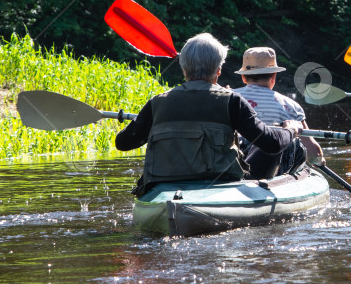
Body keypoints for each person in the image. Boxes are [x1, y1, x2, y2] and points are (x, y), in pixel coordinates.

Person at [115, 33, 303, 196]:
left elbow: (123, 143)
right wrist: (290, 130)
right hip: (219, 186)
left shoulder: (157, 102)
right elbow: (271, 143)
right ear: (219, 70)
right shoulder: (232, 101)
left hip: (161, 185)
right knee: (271, 143)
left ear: (183, 69)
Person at [233, 47, 325, 176]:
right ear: (274, 76)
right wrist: (320, 160)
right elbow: (313, 154)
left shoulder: (228, 97)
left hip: (233, 162)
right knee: (295, 143)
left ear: (243, 77)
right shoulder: (291, 106)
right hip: (270, 169)